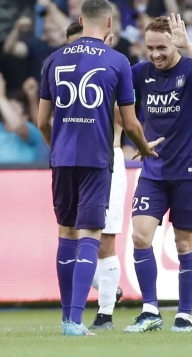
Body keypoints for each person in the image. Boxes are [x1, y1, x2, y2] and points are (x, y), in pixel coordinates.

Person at [37, 0, 160, 337]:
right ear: (109, 23)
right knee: (91, 235)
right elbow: (130, 123)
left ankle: (66, 317)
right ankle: (76, 322)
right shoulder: (117, 61)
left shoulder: (53, 59)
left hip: (62, 159)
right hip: (97, 158)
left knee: (65, 233)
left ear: (80, 19)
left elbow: (42, 120)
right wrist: (144, 148)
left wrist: (57, 148)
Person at [125, 14, 192, 333]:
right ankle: (150, 310)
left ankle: (184, 315)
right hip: (153, 171)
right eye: (150, 47)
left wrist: (189, 47)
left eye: (162, 48)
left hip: (188, 172)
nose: (155, 54)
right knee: (140, 235)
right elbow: (117, 103)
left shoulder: (191, 69)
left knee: (184, 244)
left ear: (175, 44)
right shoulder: (140, 73)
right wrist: (137, 140)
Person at [64, 20, 125, 330]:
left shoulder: (116, 72)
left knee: (103, 241)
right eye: (75, 47)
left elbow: (127, 118)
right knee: (71, 239)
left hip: (106, 159)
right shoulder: (62, 77)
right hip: (70, 160)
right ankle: (105, 287)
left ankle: (105, 314)